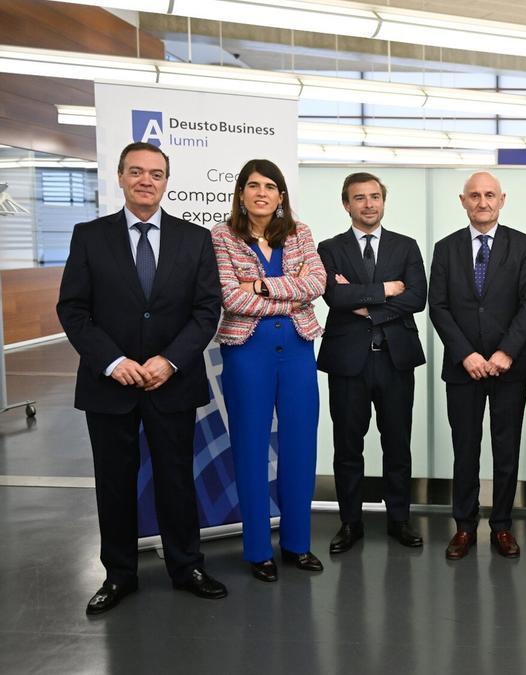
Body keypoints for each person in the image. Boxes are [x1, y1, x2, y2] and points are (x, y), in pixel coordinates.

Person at [57, 141, 227, 614]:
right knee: (113, 482)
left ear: (166, 181)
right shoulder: (89, 236)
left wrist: (168, 361)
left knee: (176, 478)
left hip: (170, 381)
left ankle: (187, 566)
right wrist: (113, 362)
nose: (146, 180)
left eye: (155, 173)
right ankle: (119, 574)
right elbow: (73, 309)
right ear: (120, 177)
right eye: (136, 172)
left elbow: (205, 310)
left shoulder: (194, 239)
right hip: (108, 384)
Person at [211, 159, 327, 582]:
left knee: (301, 445)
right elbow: (229, 297)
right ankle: (258, 549)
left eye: (270, 186)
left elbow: (317, 284)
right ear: (241, 193)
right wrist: (287, 290)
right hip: (247, 351)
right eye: (253, 185)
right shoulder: (222, 236)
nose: (262, 193)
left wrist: (258, 285)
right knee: (250, 446)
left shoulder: (300, 233)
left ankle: (297, 544)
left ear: (281, 196)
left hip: (297, 348)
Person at [428, 172, 526, 560]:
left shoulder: (524, 247)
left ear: (502, 200)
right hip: (464, 367)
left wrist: (506, 352)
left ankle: (503, 526)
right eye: (474, 196)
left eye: (489, 195)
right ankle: (463, 526)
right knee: (466, 449)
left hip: (510, 366)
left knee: (505, 448)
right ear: (463, 201)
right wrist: (467, 354)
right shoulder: (445, 249)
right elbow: (438, 306)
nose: (482, 202)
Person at [318, 173, 427, 554]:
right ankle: (351, 522)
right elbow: (333, 295)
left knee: (397, 443)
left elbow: (416, 298)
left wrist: (365, 305)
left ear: (384, 201)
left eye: (375, 196)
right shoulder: (329, 248)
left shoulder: (406, 246)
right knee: (348, 445)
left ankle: (400, 518)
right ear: (346, 204)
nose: (369, 204)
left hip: (396, 360)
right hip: (349, 362)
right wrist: (385, 290)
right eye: (359, 198)